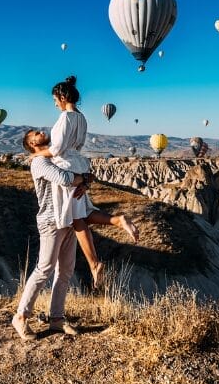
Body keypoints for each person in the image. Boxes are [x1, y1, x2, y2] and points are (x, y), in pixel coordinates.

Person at [12, 129, 137, 340]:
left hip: (69, 220)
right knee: (44, 268)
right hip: (51, 222)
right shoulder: (39, 162)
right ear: (31, 144)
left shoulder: (59, 157)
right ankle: (21, 317)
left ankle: (57, 318)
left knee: (66, 270)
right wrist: (84, 179)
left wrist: (86, 180)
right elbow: (64, 178)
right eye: (35, 133)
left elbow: (83, 175)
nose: (41, 131)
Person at [30, 76, 138, 288]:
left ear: (62, 97)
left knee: (75, 218)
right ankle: (115, 224)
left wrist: (36, 154)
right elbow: (76, 146)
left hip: (66, 166)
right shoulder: (82, 118)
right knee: (80, 216)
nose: (55, 104)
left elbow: (56, 149)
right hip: (79, 163)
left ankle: (95, 263)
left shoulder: (65, 118)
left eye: (55, 100)